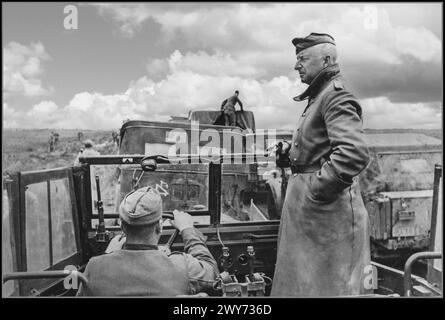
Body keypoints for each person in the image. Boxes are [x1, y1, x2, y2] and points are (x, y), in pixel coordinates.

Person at [271, 33, 371, 297]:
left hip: (326, 218)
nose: (296, 66)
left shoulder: (335, 95)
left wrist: (314, 191)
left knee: (329, 289)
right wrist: (289, 154)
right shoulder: (321, 94)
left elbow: (353, 152)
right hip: (316, 220)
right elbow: (318, 148)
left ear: (326, 59)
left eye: (302, 58)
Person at [77, 187, 219, 296]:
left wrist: (107, 255)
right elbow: (212, 272)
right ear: (160, 226)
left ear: (121, 226)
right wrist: (187, 229)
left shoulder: (94, 267)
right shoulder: (182, 265)